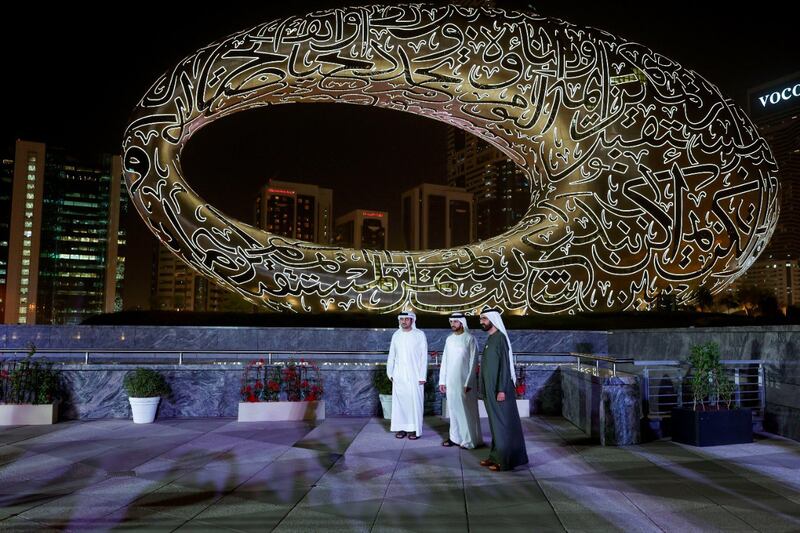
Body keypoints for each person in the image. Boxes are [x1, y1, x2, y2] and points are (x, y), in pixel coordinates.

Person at [478, 308, 528, 471]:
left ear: (493, 319)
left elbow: (505, 367)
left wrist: (501, 390)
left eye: (484, 319)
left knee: (502, 425)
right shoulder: (491, 338)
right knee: (495, 425)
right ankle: (495, 456)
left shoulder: (500, 339)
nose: (482, 322)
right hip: (490, 390)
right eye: (481, 319)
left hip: (499, 390)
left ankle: (505, 461)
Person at [439, 312, 483, 449]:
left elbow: (473, 362)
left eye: (455, 322)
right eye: (451, 322)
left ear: (462, 323)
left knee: (465, 411)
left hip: (464, 383)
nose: (453, 324)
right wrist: (442, 381)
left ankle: (469, 440)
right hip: (451, 382)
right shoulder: (449, 339)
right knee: (453, 410)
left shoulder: (470, 339)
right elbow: (445, 361)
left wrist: (468, 383)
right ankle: (454, 438)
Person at [387, 310, 428, 440]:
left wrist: (422, 376)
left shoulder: (419, 335)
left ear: (412, 320)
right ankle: (402, 428)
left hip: (415, 375)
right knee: (401, 404)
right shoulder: (396, 335)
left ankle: (414, 429)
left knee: (414, 403)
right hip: (399, 375)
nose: (404, 322)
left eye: (406, 319)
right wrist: (391, 373)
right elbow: (391, 355)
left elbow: (424, 357)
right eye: (402, 319)